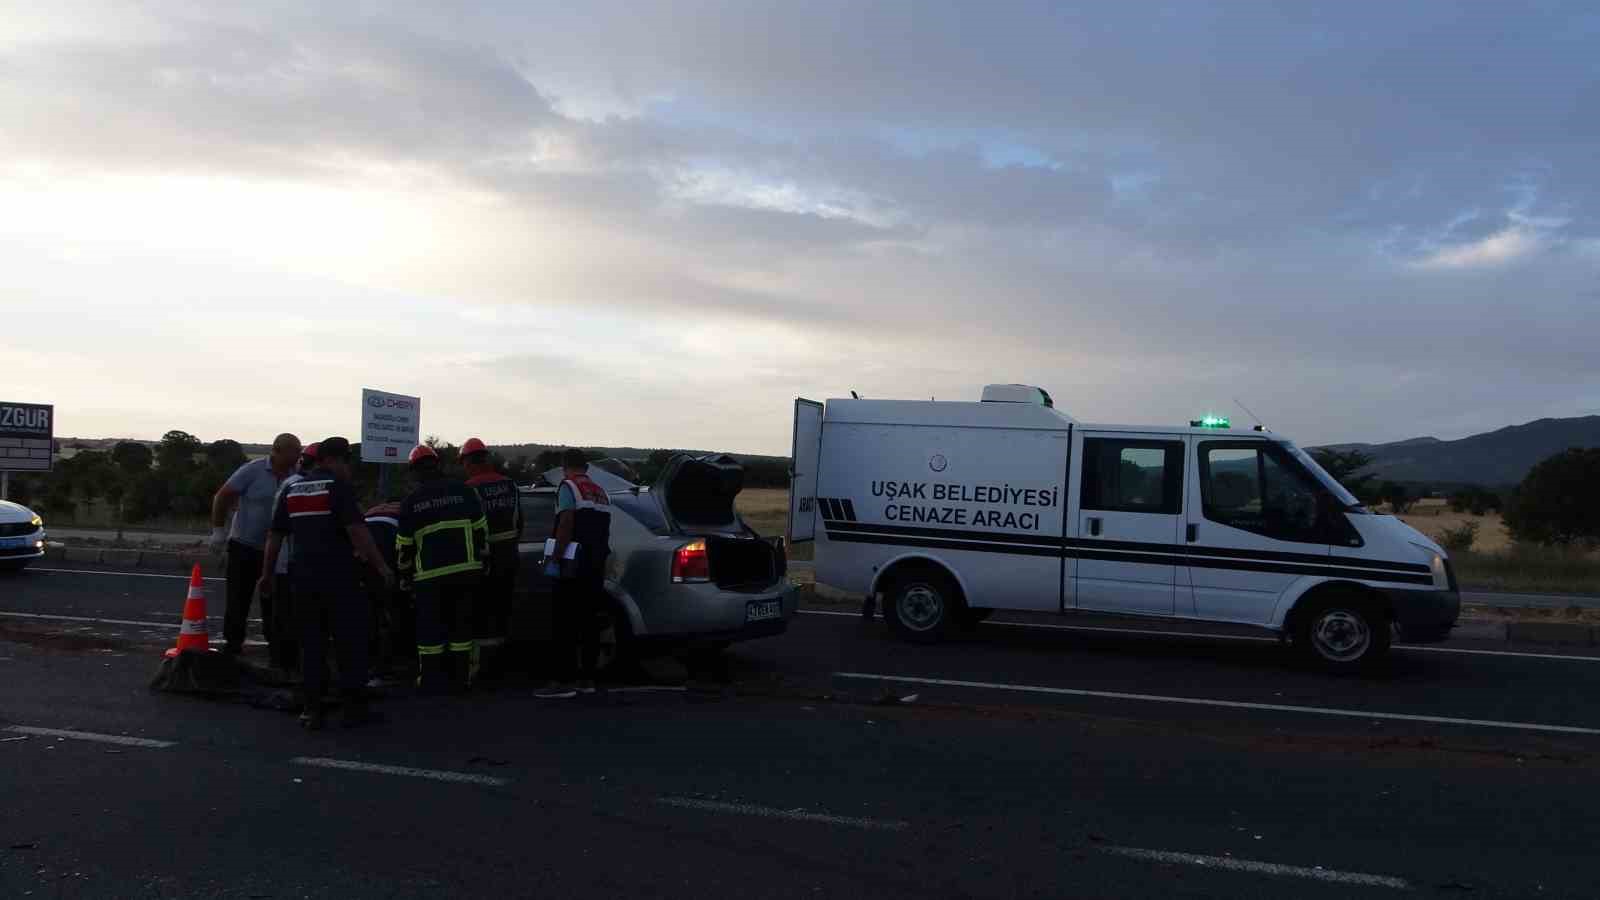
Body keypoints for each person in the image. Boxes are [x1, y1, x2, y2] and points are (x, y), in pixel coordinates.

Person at [258, 437, 394, 730]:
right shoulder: (338, 489)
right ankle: (353, 709)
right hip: (338, 577)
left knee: (311, 643)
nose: (348, 469)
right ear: (334, 460)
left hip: (302, 579)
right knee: (349, 643)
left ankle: (312, 710)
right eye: (346, 462)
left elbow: (275, 537)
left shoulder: (292, 489)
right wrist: (381, 566)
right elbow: (358, 532)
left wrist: (267, 575)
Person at [396, 444, 487, 694]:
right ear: (437, 464)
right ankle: (461, 679)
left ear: (415, 471)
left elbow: (404, 546)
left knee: (429, 630)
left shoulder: (412, 502)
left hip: (428, 577)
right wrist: (483, 561)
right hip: (466, 571)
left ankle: (431, 681)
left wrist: (404, 575)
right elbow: (481, 529)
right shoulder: (464, 491)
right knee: (461, 627)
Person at [211, 433, 301, 657]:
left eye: (298, 453)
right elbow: (222, 496)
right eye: (293, 453)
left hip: (277, 550)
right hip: (245, 545)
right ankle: (232, 646)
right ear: (277, 451)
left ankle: (276, 647)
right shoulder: (253, 470)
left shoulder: (297, 474)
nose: (297, 458)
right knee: (238, 598)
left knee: (274, 600)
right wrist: (218, 531)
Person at [535, 449, 612, 699]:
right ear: (586, 467)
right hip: (595, 565)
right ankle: (587, 679)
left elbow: (566, 523)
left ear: (564, 466)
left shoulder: (568, 487)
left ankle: (561, 681)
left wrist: (555, 557)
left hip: (572, 565)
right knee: (589, 623)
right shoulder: (600, 492)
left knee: (563, 623)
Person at [461, 437, 523, 677]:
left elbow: (469, 528)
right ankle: (502, 666)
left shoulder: (469, 488)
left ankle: (480, 670)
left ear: (469, 462)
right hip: (510, 555)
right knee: (503, 612)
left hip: (484, 560)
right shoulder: (510, 484)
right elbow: (520, 522)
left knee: (480, 616)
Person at [262, 442, 319, 672]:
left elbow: (275, 533)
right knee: (291, 618)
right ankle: (287, 666)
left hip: (286, 562)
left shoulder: (290, 484)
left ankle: (283, 664)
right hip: (294, 563)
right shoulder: (304, 486)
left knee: (285, 617)